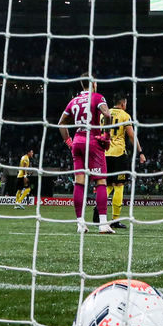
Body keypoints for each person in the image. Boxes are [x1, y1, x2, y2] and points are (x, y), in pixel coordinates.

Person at [59, 73, 115, 234]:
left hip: (77, 141)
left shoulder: (74, 100)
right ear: (94, 83)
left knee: (79, 182)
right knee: (101, 182)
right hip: (92, 141)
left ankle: (80, 224)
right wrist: (106, 137)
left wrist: (69, 142)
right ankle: (103, 224)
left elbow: (61, 123)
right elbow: (107, 115)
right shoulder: (97, 97)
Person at [92, 93, 146, 229]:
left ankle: (99, 206)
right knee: (119, 185)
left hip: (104, 153)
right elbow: (132, 136)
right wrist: (140, 152)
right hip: (118, 154)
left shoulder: (103, 113)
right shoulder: (124, 115)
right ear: (123, 104)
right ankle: (115, 220)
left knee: (106, 184)